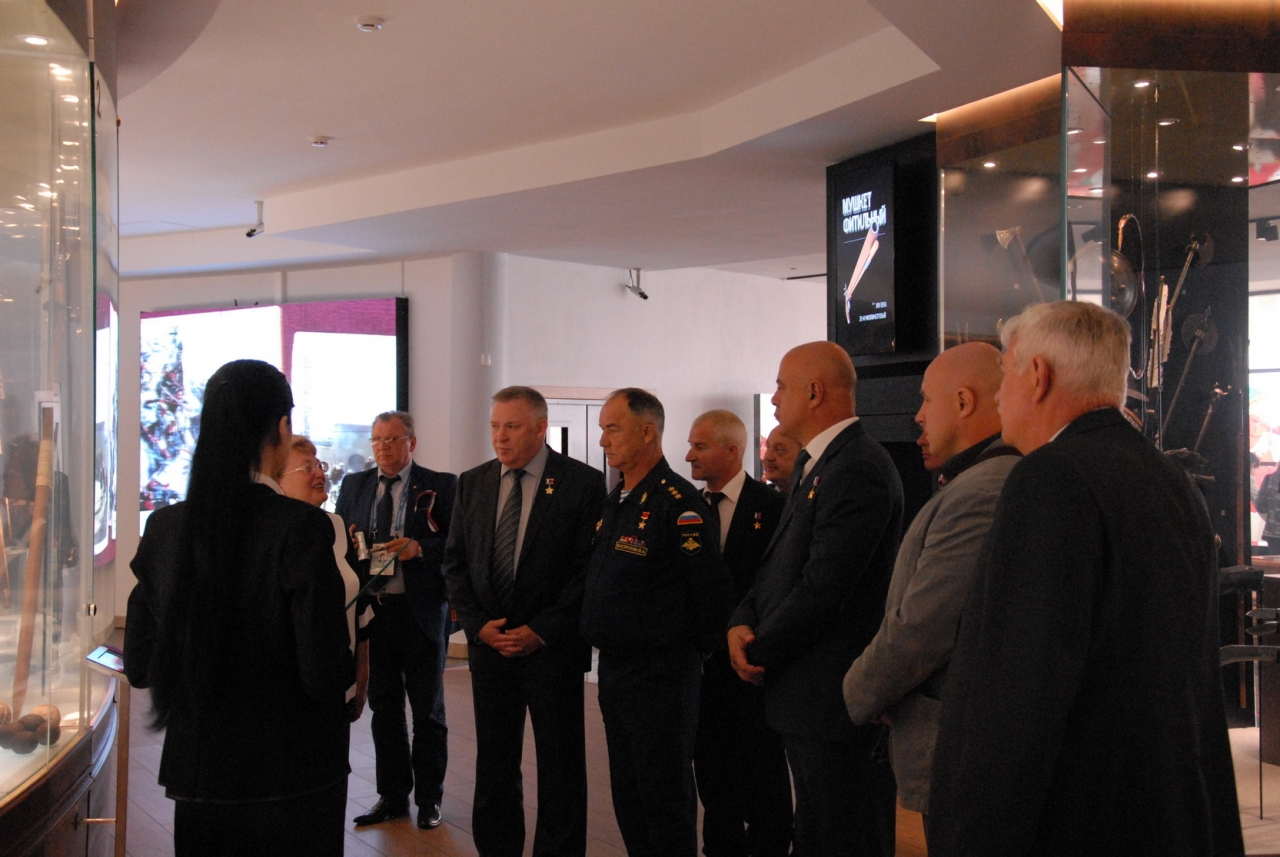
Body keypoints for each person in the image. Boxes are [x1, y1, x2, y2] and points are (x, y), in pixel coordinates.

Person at [929, 301, 1244, 856]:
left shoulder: (1049, 479)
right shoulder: (1169, 478)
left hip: (1076, 819)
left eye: (1005, 372)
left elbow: (1020, 687)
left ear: (1037, 375)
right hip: (1164, 813)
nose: (999, 396)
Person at [123, 359, 353, 857]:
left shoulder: (165, 528)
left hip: (199, 774)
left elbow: (140, 664)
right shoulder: (301, 527)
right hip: (294, 771)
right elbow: (323, 670)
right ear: (282, 429)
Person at [728, 341, 903, 857]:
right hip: (806, 698)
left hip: (833, 701)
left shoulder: (857, 466)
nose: (774, 399)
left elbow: (824, 589)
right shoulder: (817, 464)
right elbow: (777, 567)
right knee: (816, 835)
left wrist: (759, 650)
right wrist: (741, 620)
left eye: (781, 386)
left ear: (814, 391)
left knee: (846, 836)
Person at [842, 343, 1018, 839]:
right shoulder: (973, 483)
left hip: (959, 747)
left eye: (926, 399)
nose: (918, 416)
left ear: (963, 401)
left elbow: (923, 626)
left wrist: (860, 692)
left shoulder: (982, 491)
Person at [444, 386, 605, 857]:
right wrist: (478, 626)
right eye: (495, 426)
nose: (500, 437)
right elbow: (455, 563)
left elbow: (587, 571)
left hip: (551, 649)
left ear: (540, 428)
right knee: (495, 762)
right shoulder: (473, 482)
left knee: (560, 764)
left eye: (512, 426)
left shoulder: (581, 483)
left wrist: (542, 630)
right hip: (490, 647)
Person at [580, 388, 734, 857]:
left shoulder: (677, 503)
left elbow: (711, 596)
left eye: (613, 429)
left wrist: (684, 655)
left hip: (661, 675)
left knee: (663, 795)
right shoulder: (618, 499)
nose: (603, 440)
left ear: (647, 432)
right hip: (617, 670)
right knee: (628, 793)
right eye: (603, 429)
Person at [336, 411, 457, 830]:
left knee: (428, 712)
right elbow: (343, 544)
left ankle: (429, 799)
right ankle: (392, 796)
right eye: (376, 440)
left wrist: (419, 548)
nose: (383, 447)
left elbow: (457, 543)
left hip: (421, 612)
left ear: (412, 443)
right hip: (376, 612)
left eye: (391, 439)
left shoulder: (441, 485)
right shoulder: (355, 485)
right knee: (384, 709)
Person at [685, 410, 792, 857]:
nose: (689, 455)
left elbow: (779, 584)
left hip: (753, 668)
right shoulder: (686, 508)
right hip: (701, 670)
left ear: (732, 450)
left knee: (763, 773)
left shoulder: (774, 507)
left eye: (700, 446)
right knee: (712, 775)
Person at [279, 436, 370, 719]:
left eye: (320, 465)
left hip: (337, 683)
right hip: (288, 692)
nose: (320, 474)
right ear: (277, 479)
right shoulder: (274, 536)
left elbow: (360, 612)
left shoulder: (337, 525)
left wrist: (361, 679)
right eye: (307, 468)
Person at [761, 427, 800, 494]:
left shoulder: (815, 496)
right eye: (767, 447)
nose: (768, 457)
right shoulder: (758, 496)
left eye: (780, 450)